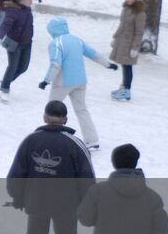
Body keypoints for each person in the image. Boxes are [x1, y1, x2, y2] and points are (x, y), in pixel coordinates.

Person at [6, 101, 95, 234]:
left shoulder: (31, 141)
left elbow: (16, 174)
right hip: (67, 206)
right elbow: (87, 179)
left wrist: (18, 196)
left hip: (36, 202)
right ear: (65, 120)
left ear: (45, 118)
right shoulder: (76, 144)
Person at [39, 17, 117, 150]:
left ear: (52, 31)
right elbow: (93, 54)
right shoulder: (77, 40)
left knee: (51, 109)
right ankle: (92, 140)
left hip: (63, 83)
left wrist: (46, 80)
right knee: (82, 110)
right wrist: (107, 64)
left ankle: (49, 136)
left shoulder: (56, 43)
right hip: (80, 82)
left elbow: (56, 64)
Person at [0, 0, 37, 101]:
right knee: (13, 66)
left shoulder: (27, 9)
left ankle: (6, 80)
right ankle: (5, 89)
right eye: (29, 0)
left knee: (23, 67)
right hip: (14, 43)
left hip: (27, 43)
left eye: (31, 0)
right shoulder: (13, 10)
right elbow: (5, 25)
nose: (31, 2)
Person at [109, 0, 148, 101]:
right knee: (124, 66)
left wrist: (135, 48)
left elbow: (139, 32)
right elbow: (121, 26)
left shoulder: (140, 14)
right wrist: (115, 38)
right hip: (122, 42)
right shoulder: (126, 9)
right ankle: (123, 87)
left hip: (129, 45)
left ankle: (126, 92)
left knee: (127, 67)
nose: (128, 0)